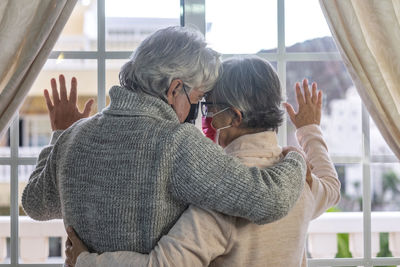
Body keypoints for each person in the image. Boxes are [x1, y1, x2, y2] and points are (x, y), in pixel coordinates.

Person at [22, 27, 307, 258]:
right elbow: (271, 200)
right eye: (195, 100)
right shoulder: (176, 144)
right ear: (174, 89)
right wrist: (296, 158)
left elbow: (35, 204)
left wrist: (60, 134)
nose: (194, 115)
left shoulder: (74, 136)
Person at [66, 56, 341, 267]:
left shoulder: (220, 199)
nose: (203, 118)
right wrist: (309, 130)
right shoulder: (300, 182)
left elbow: (160, 264)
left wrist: (85, 261)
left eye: (209, 108)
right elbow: (331, 186)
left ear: (234, 117)